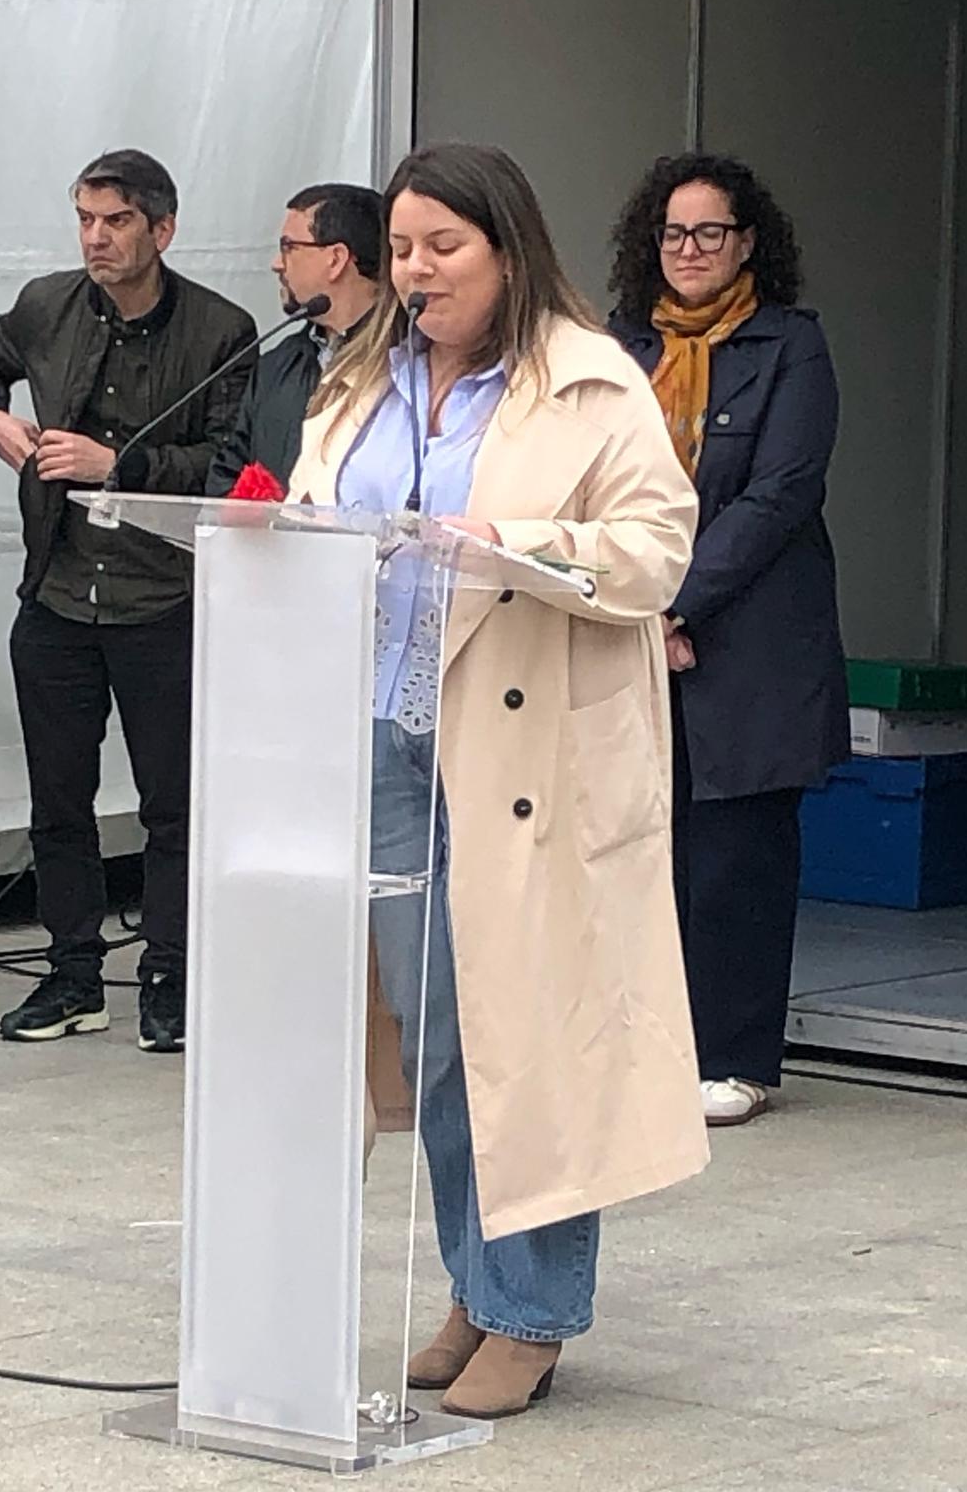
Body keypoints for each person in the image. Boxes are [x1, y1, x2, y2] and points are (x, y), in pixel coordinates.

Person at [288, 143, 708, 1421]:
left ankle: (531, 1312)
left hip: (527, 754)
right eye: (401, 249)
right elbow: (314, 513)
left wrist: (513, 542)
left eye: (443, 247)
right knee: (436, 1040)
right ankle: (475, 1283)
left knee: (526, 1037)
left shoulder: (591, 381)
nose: (417, 272)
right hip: (389, 737)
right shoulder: (361, 380)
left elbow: (656, 551)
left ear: (508, 251)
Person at [0, 150, 255, 1053]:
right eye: (85, 219)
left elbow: (229, 464)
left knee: (173, 805)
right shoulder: (47, 303)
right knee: (59, 803)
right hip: (57, 591)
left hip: (162, 598)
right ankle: (72, 975)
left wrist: (116, 465)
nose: (96, 238)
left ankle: (168, 975)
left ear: (162, 230)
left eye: (116, 221)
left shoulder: (221, 329)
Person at [608, 153, 848, 1128]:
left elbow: (781, 493)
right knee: (642, 849)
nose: (690, 249)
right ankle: (652, 1053)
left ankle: (736, 1058)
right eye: (674, 232)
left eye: (711, 232)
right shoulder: (622, 348)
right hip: (638, 626)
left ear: (748, 243)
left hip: (749, 635)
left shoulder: (792, 345)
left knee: (737, 855)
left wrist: (678, 603)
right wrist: (640, 606)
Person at [205, 182, 381, 496]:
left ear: (336, 259)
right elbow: (228, 472)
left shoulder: (406, 362)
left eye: (289, 247)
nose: (277, 264)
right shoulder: (276, 365)